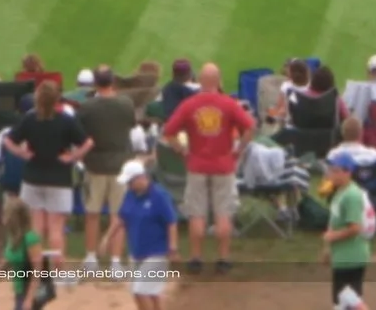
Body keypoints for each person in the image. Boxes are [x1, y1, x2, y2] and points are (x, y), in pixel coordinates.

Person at [161, 62, 255, 273]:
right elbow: (250, 127)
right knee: (223, 213)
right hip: (223, 165)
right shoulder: (229, 103)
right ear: (218, 81)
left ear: (200, 81)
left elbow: (168, 131)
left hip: (197, 165)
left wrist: (182, 150)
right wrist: (238, 150)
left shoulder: (189, 104)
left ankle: (196, 257)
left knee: (196, 213)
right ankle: (223, 258)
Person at [3, 80, 93, 269]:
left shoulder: (29, 119)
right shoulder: (66, 120)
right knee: (56, 228)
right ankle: (58, 270)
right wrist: (73, 157)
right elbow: (88, 143)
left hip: (33, 178)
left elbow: (8, 140)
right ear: (57, 99)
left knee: (35, 227)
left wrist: (21, 153)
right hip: (59, 179)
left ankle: (35, 269)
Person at [100, 159, 179, 310]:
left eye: (129, 182)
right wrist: (107, 237)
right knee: (150, 292)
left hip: (157, 252)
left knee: (141, 291)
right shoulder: (130, 194)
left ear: (140, 178)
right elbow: (122, 218)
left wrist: (173, 247)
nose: (127, 185)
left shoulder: (159, 196)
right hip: (137, 252)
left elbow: (171, 222)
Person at [78, 65, 136, 267]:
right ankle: (115, 262)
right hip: (119, 166)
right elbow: (131, 125)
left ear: (95, 82)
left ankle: (91, 257)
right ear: (112, 81)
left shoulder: (87, 107)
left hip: (95, 166)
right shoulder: (126, 104)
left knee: (92, 213)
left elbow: (80, 134)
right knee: (117, 216)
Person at [0, 197, 47, 310]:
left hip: (29, 293)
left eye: (5, 213)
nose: (3, 216)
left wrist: (29, 299)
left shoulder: (30, 238)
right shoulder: (13, 236)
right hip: (20, 291)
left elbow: (37, 270)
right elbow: (6, 262)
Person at [322, 150, 374, 310]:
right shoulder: (340, 193)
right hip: (342, 256)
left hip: (351, 256)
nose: (332, 174)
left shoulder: (351, 195)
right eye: (331, 170)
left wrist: (332, 237)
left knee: (347, 298)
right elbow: (334, 222)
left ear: (348, 172)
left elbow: (355, 227)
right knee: (342, 302)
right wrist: (328, 249)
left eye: (336, 171)